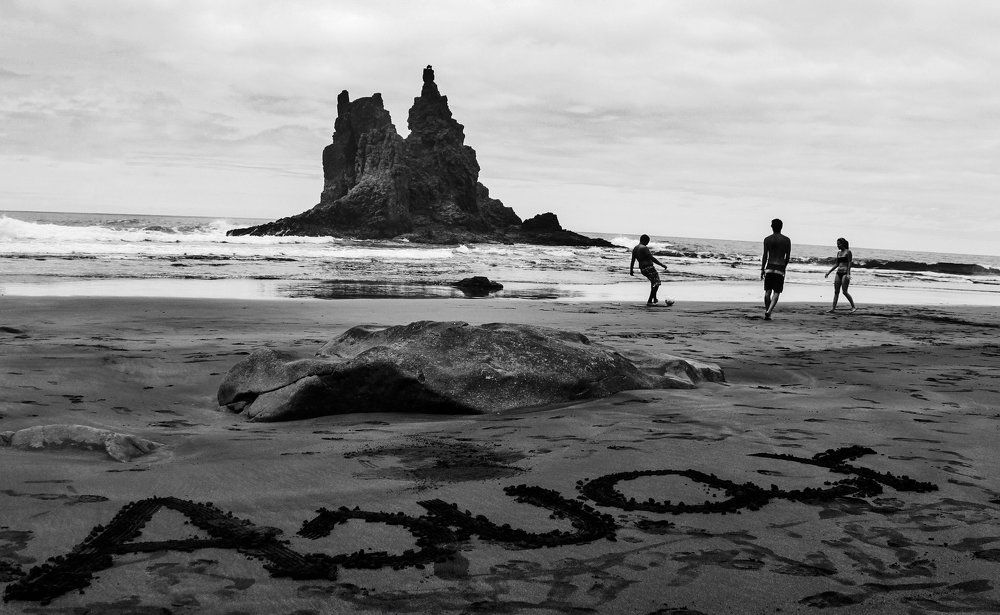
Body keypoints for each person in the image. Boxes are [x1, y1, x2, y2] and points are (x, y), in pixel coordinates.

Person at [761, 218, 791, 320]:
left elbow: (765, 256)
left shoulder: (767, 239)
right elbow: (787, 257)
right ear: (781, 227)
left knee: (767, 292)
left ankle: (767, 311)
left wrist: (762, 269)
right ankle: (769, 311)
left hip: (769, 268)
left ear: (771, 227)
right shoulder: (787, 240)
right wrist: (784, 267)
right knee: (777, 292)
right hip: (780, 268)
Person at [630, 234, 671, 306]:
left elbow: (633, 260)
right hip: (649, 267)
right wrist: (661, 265)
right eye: (647, 241)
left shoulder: (635, 248)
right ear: (644, 240)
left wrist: (631, 270)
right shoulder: (644, 248)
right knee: (657, 283)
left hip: (643, 269)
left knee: (653, 282)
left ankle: (654, 298)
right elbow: (651, 258)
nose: (648, 243)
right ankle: (649, 301)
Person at [824, 237, 856, 313]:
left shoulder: (848, 252)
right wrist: (829, 272)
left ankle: (853, 307)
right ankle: (833, 308)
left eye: (838, 244)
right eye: (837, 244)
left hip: (845, 273)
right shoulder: (838, 253)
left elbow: (849, 263)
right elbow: (837, 264)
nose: (837, 246)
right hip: (838, 273)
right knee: (836, 292)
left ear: (843, 244)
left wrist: (848, 274)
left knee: (844, 291)